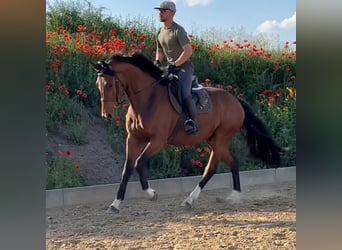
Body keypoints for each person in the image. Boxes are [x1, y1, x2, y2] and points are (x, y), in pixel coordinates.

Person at [154, 1, 198, 135]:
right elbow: (160, 51)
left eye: (163, 11)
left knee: (184, 92)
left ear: (172, 13)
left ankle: (192, 121)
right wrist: (156, 62)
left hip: (184, 67)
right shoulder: (160, 31)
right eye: (159, 11)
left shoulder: (178, 30)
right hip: (169, 67)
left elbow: (188, 51)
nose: (159, 13)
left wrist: (176, 64)